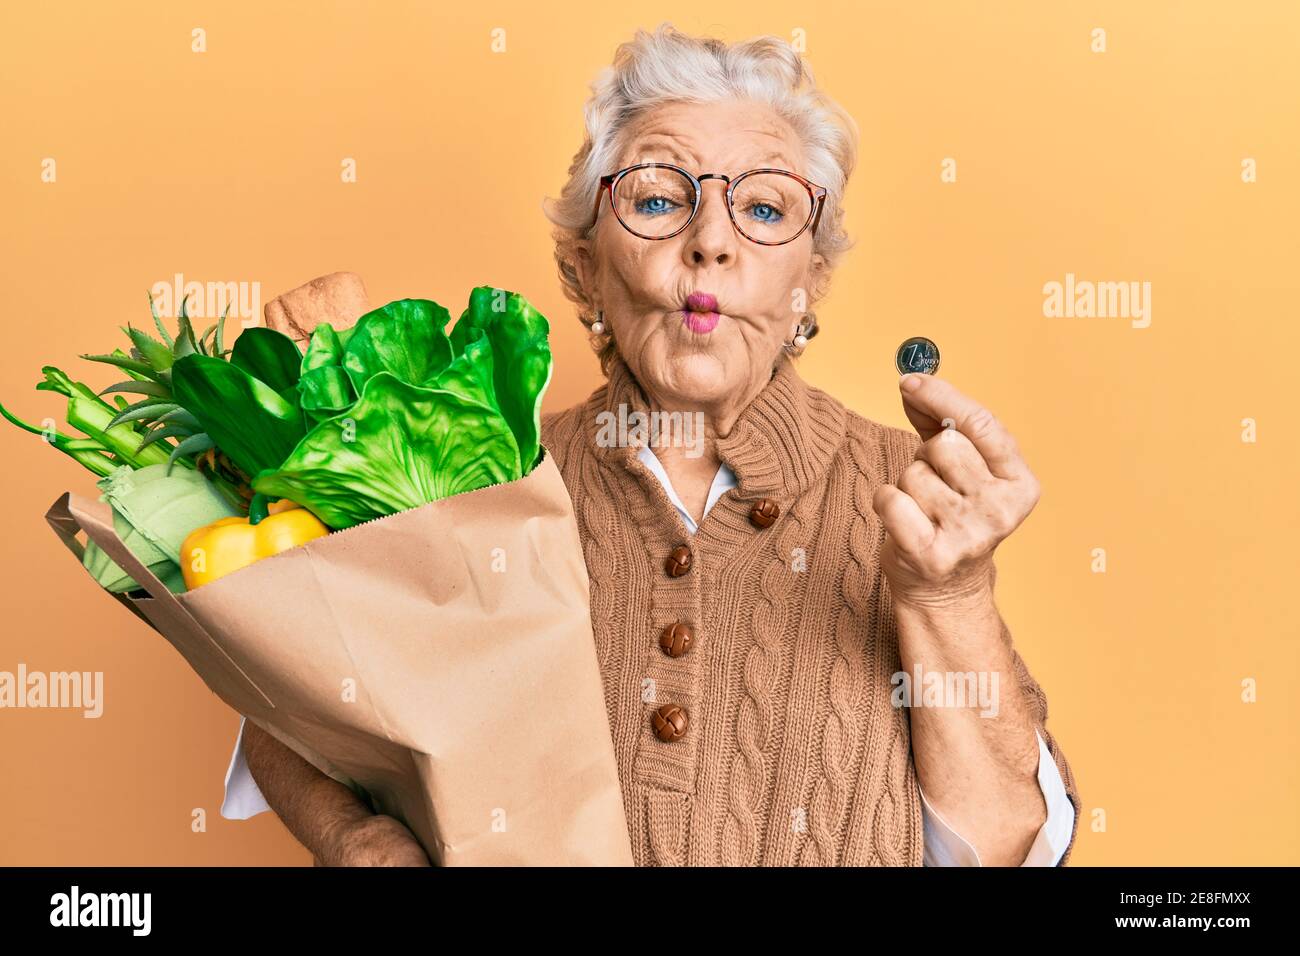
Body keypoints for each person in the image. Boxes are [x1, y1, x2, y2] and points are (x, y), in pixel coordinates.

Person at [225, 22, 1079, 866]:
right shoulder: (477, 472)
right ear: (586, 264)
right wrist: (358, 838)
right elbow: (299, 710)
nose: (710, 241)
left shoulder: (916, 496)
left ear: (808, 283)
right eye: (659, 198)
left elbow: (1005, 846)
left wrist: (948, 599)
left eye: (764, 208)